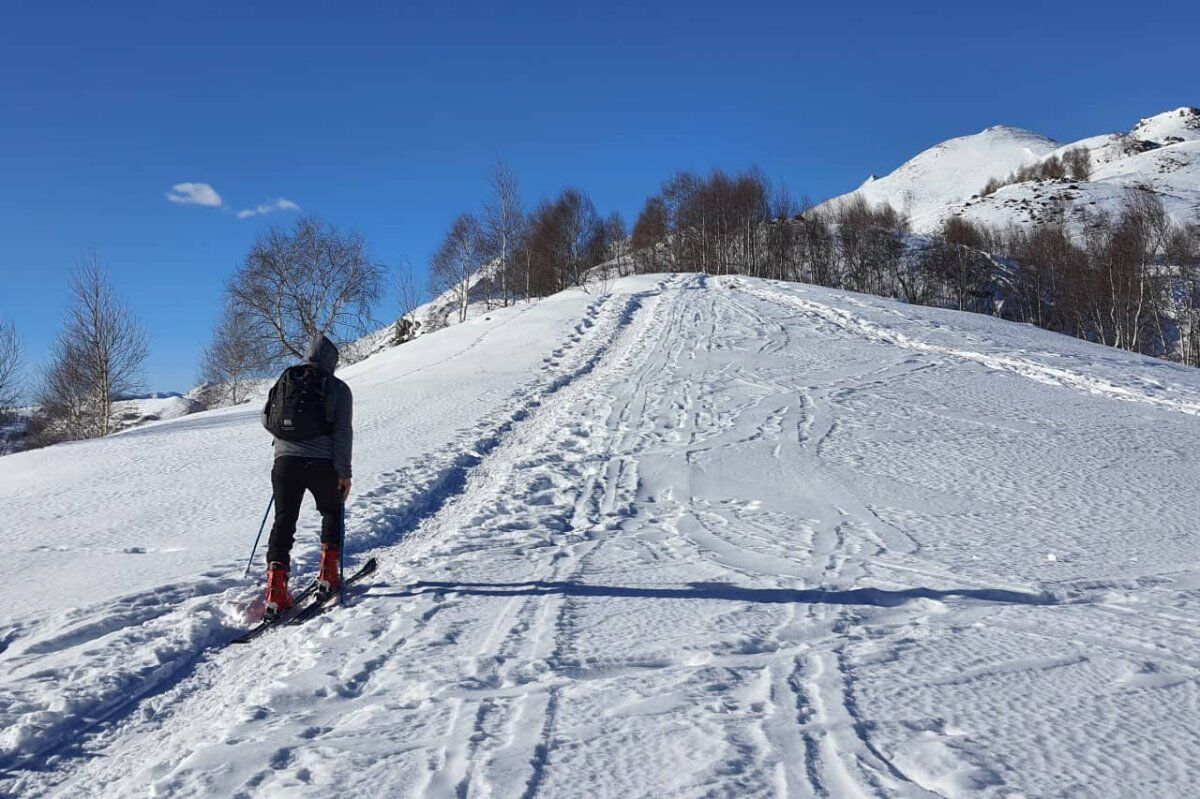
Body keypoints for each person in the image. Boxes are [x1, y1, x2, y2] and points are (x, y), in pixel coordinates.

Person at [260, 334, 353, 615]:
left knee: (284, 522)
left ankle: (275, 589)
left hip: (284, 463)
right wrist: (343, 473)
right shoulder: (338, 388)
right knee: (331, 511)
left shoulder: (286, 378)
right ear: (331, 361)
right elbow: (342, 432)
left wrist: (287, 443)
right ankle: (328, 573)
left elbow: (267, 419)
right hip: (322, 463)